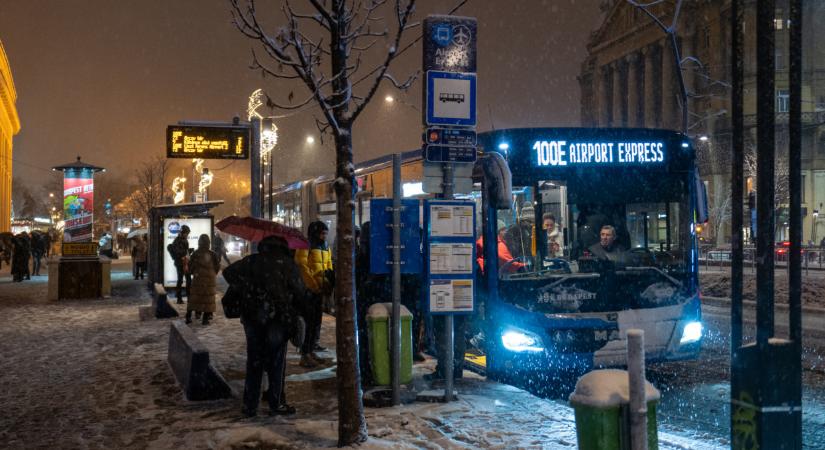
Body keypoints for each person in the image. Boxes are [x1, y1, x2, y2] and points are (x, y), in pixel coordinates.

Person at [223, 235, 303, 417]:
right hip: (278, 318)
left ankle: (250, 405)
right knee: (276, 361)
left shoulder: (252, 261)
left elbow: (228, 273)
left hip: (253, 317)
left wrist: (249, 289)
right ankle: (276, 403)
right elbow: (299, 291)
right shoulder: (287, 264)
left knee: (254, 360)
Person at [294, 221, 333, 367]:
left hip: (319, 291)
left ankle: (310, 350)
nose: (324, 236)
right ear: (315, 232)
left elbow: (328, 265)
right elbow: (302, 267)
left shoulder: (325, 247)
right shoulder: (305, 245)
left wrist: (327, 283)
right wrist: (313, 285)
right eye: (322, 233)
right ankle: (304, 354)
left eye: (326, 233)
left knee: (316, 322)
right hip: (308, 291)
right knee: (309, 323)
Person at [186, 234, 221, 325]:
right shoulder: (212, 254)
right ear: (208, 243)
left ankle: (188, 316)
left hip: (198, 279)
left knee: (195, 298)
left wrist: (195, 272)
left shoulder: (195, 253)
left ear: (199, 242)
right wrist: (212, 274)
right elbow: (217, 267)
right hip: (209, 281)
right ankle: (205, 319)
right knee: (207, 299)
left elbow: (190, 267)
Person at [167, 225, 192, 304]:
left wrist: (188, 251)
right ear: (183, 233)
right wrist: (187, 252)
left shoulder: (182, 239)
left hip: (184, 262)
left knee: (186, 280)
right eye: (186, 233)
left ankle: (186, 297)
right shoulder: (178, 240)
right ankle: (180, 298)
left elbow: (183, 251)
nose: (187, 235)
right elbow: (179, 252)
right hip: (181, 263)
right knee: (182, 280)